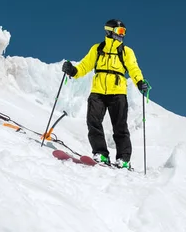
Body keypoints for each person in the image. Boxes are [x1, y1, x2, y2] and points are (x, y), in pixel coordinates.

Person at [61, 19, 149, 169]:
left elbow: (134, 69)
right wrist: (73, 71)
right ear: (110, 31)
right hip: (98, 92)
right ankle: (101, 153)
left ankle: (123, 159)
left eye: (124, 32)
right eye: (120, 31)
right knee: (93, 122)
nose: (122, 35)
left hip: (118, 93)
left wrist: (140, 82)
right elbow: (85, 65)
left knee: (120, 127)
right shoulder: (97, 49)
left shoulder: (126, 52)